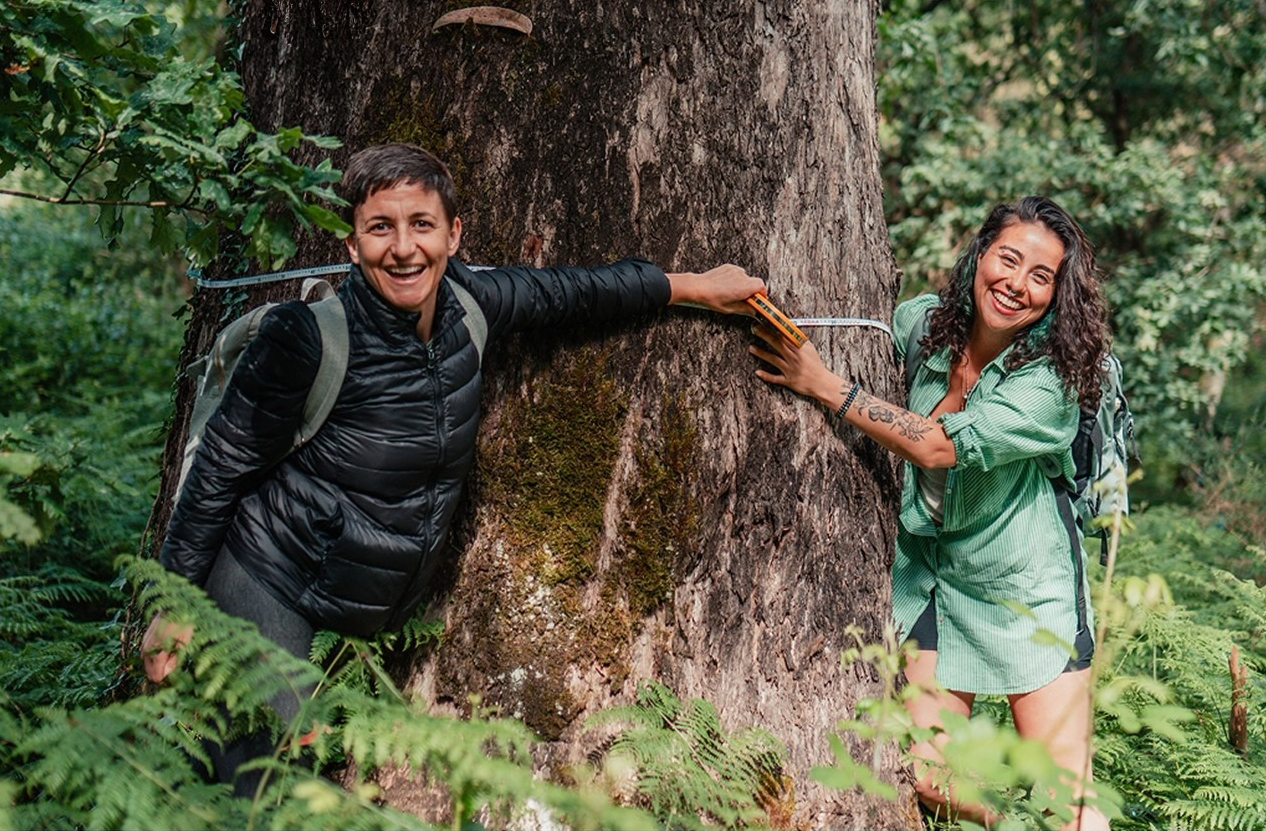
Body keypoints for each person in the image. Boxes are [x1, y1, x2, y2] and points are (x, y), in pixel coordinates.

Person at [142, 142, 765, 794]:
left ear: (452, 235)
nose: (403, 248)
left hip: (354, 589)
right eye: (380, 227)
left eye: (422, 225)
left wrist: (692, 287)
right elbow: (219, 468)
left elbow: (575, 291)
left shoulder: (472, 305)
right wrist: (172, 605)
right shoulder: (304, 337)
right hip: (266, 574)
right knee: (270, 783)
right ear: (352, 244)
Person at [750, 196, 1111, 830]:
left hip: (1027, 591)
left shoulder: (1051, 384)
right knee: (929, 777)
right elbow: (865, 324)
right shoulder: (925, 326)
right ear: (980, 255)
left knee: (1069, 807)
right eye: (1008, 259)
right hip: (934, 583)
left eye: (1041, 276)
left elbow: (936, 445)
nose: (1017, 285)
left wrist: (824, 383)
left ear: (1057, 295)